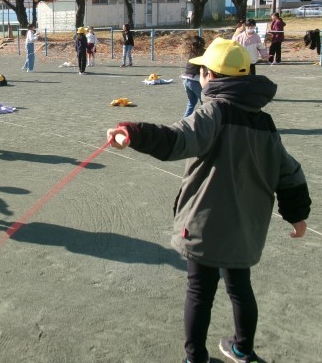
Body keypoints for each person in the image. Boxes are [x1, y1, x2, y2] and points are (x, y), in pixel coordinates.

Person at [106, 38, 311, 363]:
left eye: (202, 71)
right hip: (245, 228)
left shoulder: (213, 111)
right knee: (240, 288)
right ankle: (243, 349)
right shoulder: (265, 122)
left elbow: (177, 139)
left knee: (199, 292)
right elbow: (289, 172)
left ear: (210, 76)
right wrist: (297, 214)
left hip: (205, 224)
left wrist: (133, 133)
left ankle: (195, 358)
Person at [180, 35, 206, 117]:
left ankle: (185, 119)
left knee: (192, 101)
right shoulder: (203, 52)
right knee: (204, 102)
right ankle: (204, 119)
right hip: (194, 80)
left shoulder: (192, 52)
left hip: (185, 79)